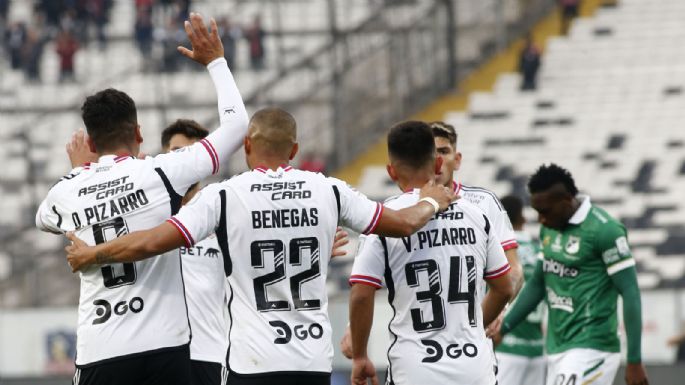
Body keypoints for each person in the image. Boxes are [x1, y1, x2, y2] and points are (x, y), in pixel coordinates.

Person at [64, 108, 457, 385]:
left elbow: (149, 242)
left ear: (248, 146)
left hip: (252, 363)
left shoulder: (224, 196)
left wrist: (93, 253)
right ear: (294, 149)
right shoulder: (329, 191)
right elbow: (403, 223)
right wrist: (433, 201)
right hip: (311, 363)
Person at [36, 13, 248, 385]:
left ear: (89, 143)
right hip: (165, 347)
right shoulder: (161, 172)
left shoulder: (64, 192)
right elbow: (236, 128)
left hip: (101, 348)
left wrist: (80, 172)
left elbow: (45, 220)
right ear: (138, 132)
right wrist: (216, 61)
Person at [348, 121, 513, 385]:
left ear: (391, 172)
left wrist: (359, 355)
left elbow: (361, 294)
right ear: (437, 165)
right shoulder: (476, 215)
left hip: (415, 368)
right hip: (473, 367)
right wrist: (470, 329)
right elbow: (504, 288)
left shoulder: (385, 219)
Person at [492, 164, 649, 385]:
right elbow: (538, 284)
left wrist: (634, 360)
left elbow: (630, 291)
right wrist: (504, 328)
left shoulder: (605, 230)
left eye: (545, 211)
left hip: (592, 347)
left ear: (566, 201)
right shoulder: (550, 228)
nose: (541, 220)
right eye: (537, 213)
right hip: (557, 348)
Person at [495, 195, 545, 385]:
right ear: (523, 219)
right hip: (537, 348)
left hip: (505, 346)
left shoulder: (497, 251)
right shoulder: (539, 251)